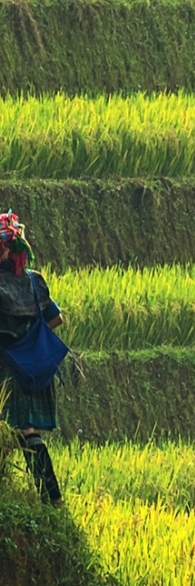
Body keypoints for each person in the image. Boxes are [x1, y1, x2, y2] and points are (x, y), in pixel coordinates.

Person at [0, 209, 64, 503]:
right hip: (33, 368)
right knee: (26, 430)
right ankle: (50, 498)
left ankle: (40, 496)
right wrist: (30, 339)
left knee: (14, 429)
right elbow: (56, 318)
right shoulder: (34, 281)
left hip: (7, 369)